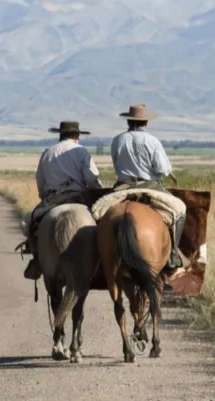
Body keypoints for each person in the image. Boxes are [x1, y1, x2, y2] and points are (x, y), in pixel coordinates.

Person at [21, 121, 104, 280]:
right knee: (102, 223)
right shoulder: (81, 151)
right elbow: (91, 179)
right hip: (79, 197)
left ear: (60, 135)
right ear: (76, 136)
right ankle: (103, 260)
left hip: (52, 199)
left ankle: (37, 260)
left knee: (33, 225)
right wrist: (97, 190)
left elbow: (40, 180)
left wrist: (44, 196)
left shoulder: (48, 152)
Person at [110, 103, 183, 272]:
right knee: (180, 209)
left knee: (97, 212)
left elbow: (116, 164)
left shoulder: (117, 140)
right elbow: (163, 169)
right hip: (150, 187)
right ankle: (173, 253)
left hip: (122, 188)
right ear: (146, 122)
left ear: (128, 121)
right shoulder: (152, 141)